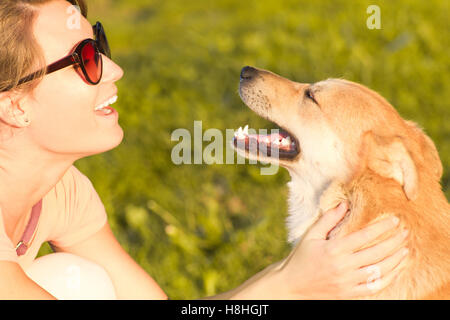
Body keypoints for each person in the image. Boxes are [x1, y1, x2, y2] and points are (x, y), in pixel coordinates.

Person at [0, 0, 408, 300]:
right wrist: (287, 285)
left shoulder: (63, 192)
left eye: (99, 43)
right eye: (85, 60)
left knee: (79, 281)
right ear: (15, 105)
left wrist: (293, 274)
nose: (115, 68)